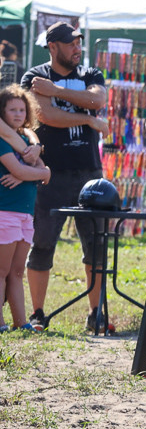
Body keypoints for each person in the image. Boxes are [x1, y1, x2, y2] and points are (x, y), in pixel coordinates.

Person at [14, 22, 109, 331]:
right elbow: (45, 115)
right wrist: (88, 120)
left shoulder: (91, 74)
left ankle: (96, 314)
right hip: (49, 173)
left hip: (90, 174)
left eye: (79, 43)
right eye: (70, 44)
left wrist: (56, 91)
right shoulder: (33, 76)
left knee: (95, 246)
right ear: (52, 46)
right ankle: (37, 313)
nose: (77, 48)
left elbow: (98, 100)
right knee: (41, 245)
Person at [0, 87, 50, 332]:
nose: (18, 114)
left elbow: (41, 169)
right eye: (12, 110)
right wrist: (36, 174)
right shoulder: (2, 141)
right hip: (5, 212)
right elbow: (25, 171)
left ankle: (21, 323)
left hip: (24, 215)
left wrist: (36, 172)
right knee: (1, 271)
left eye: (22, 109)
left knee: (17, 272)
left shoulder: (28, 142)